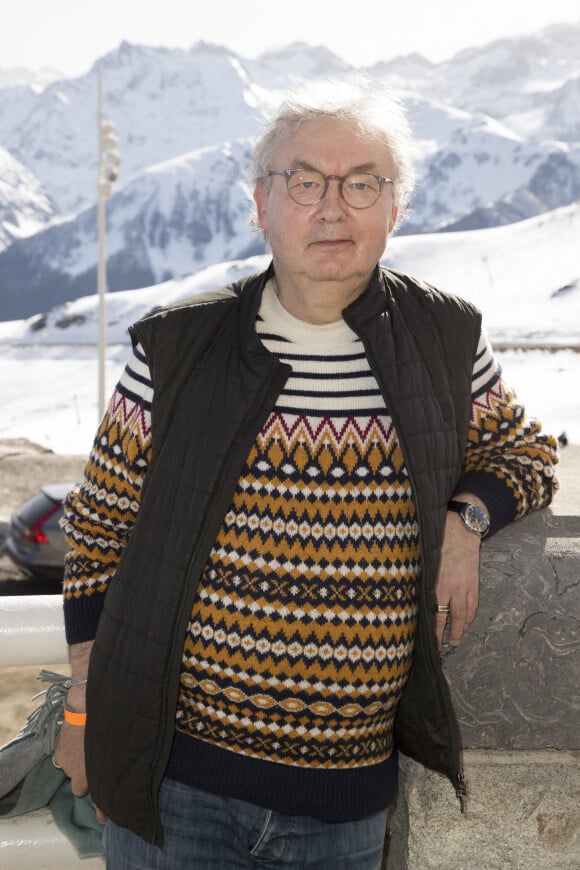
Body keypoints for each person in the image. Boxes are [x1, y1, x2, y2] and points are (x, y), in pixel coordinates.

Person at [53, 78, 559, 869]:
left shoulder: (444, 339)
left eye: (363, 183)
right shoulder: (178, 350)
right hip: (175, 786)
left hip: (347, 805)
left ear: (396, 208)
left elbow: (526, 453)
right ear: (261, 205)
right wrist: (83, 711)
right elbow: (98, 535)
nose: (333, 207)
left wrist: (467, 521)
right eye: (304, 181)